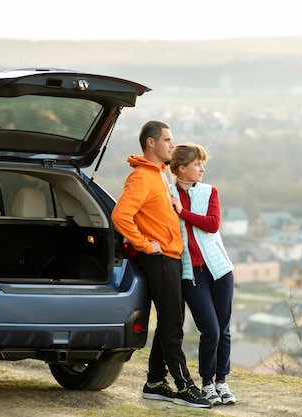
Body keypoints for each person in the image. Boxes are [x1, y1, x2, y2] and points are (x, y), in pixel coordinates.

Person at [111, 121, 211, 408]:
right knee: (172, 326)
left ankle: (155, 381)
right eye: (167, 140)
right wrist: (144, 244)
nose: (172, 144)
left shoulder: (158, 175)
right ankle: (184, 386)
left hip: (170, 258)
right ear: (151, 143)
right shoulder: (142, 177)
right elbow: (120, 216)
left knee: (171, 322)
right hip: (159, 259)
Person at [169, 143, 237, 406]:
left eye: (202, 163)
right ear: (182, 168)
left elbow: (212, 224)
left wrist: (182, 212)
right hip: (191, 273)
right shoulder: (167, 193)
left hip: (220, 270)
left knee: (224, 329)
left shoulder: (210, 192)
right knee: (210, 331)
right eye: (198, 164)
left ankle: (222, 381)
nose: (202, 169)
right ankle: (206, 384)